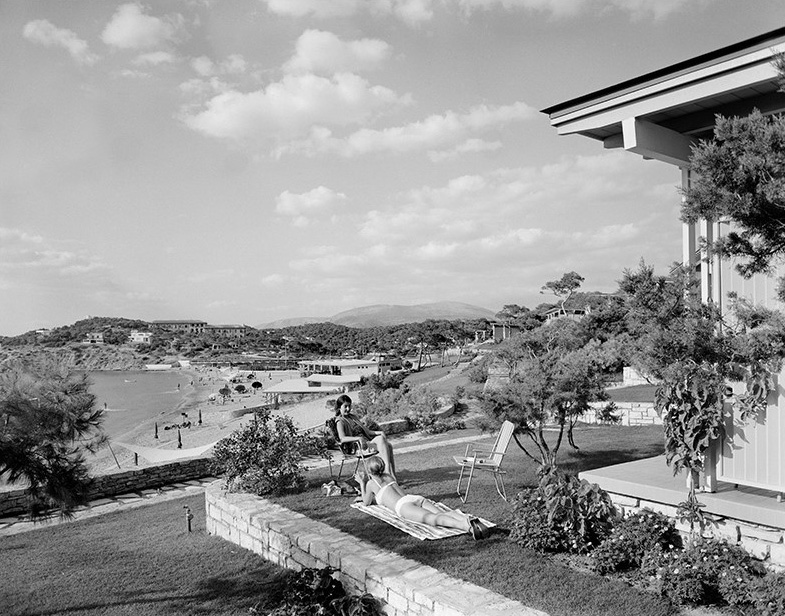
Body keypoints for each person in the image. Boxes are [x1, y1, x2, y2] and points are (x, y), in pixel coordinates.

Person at [356, 456, 489, 540]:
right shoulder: (389, 477)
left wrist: (362, 482)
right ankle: (466, 518)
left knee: (432, 519)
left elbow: (366, 502)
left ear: (369, 471)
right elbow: (392, 493)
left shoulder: (371, 484)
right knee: (442, 513)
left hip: (403, 506)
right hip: (413, 498)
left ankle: (466, 526)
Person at [333, 394, 398, 481]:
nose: (348, 409)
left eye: (349, 406)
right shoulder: (340, 421)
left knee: (388, 445)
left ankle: (392, 476)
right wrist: (359, 439)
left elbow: (367, 431)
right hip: (357, 447)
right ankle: (388, 473)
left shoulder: (353, 417)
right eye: (345, 406)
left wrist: (380, 432)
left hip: (367, 444)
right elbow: (342, 438)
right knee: (382, 441)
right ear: (339, 407)